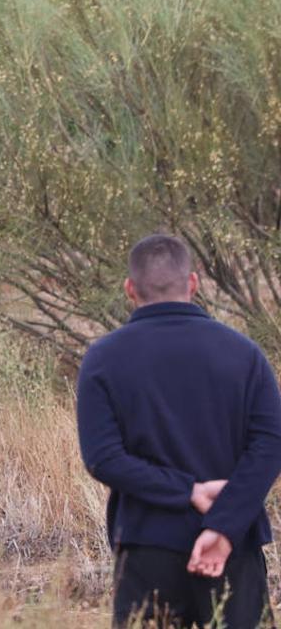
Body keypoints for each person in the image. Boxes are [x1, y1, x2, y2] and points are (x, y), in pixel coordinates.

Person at [77, 233, 281, 628]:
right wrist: (223, 525)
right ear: (193, 283)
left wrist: (186, 492)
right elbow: (271, 445)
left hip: (146, 549)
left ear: (129, 289)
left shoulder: (103, 360)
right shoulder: (244, 354)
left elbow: (103, 458)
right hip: (233, 547)